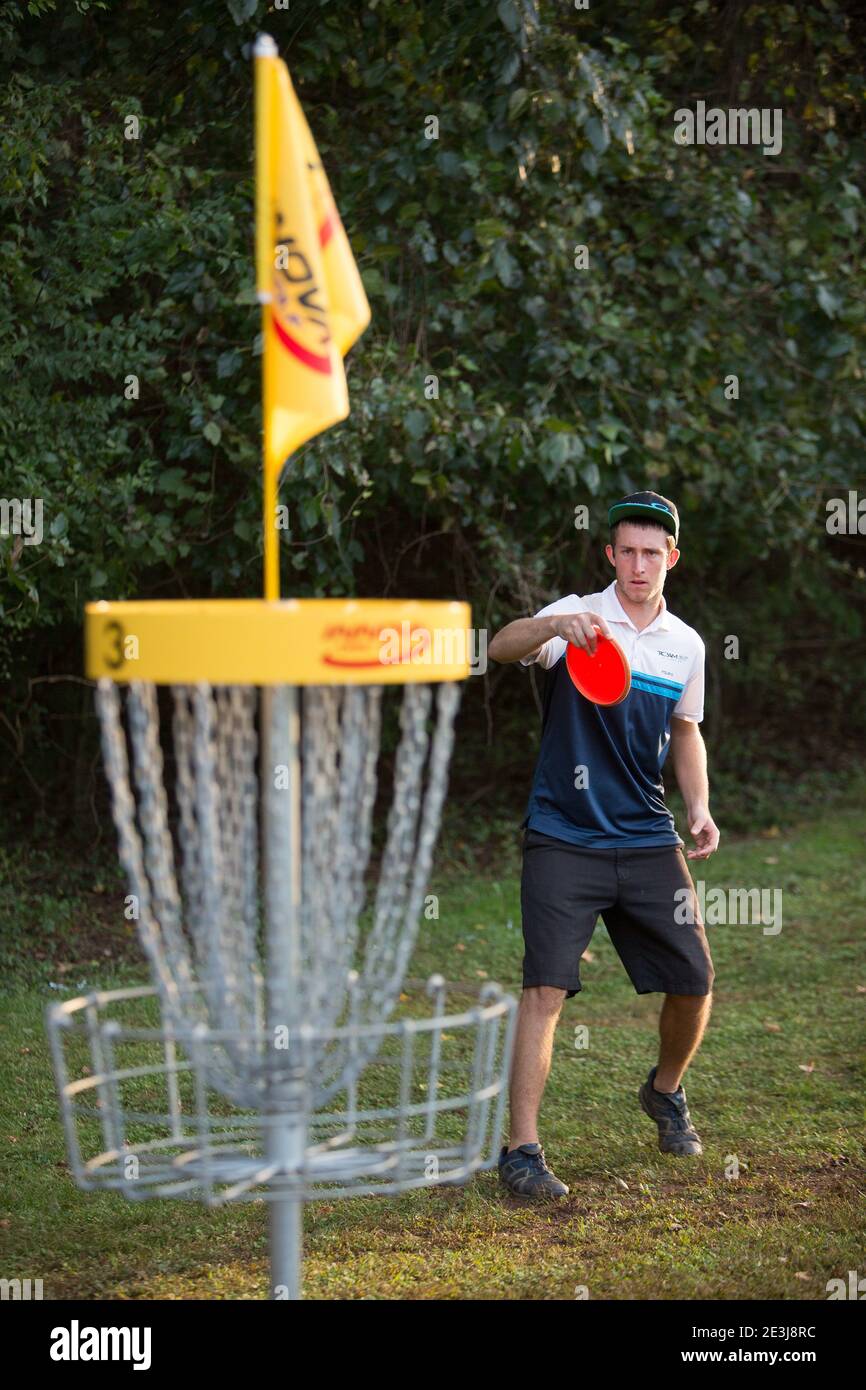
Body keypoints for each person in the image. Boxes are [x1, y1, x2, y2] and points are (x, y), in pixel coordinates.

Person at [488, 491, 719, 1198]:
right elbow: (501, 647)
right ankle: (522, 1153)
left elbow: (685, 729)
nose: (640, 563)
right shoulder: (577, 618)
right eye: (628, 550)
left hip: (647, 835)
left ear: (671, 558)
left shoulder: (686, 645)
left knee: (695, 979)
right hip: (564, 834)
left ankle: (665, 1090)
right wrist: (557, 623)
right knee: (545, 989)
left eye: (654, 552)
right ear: (611, 553)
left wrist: (700, 806)